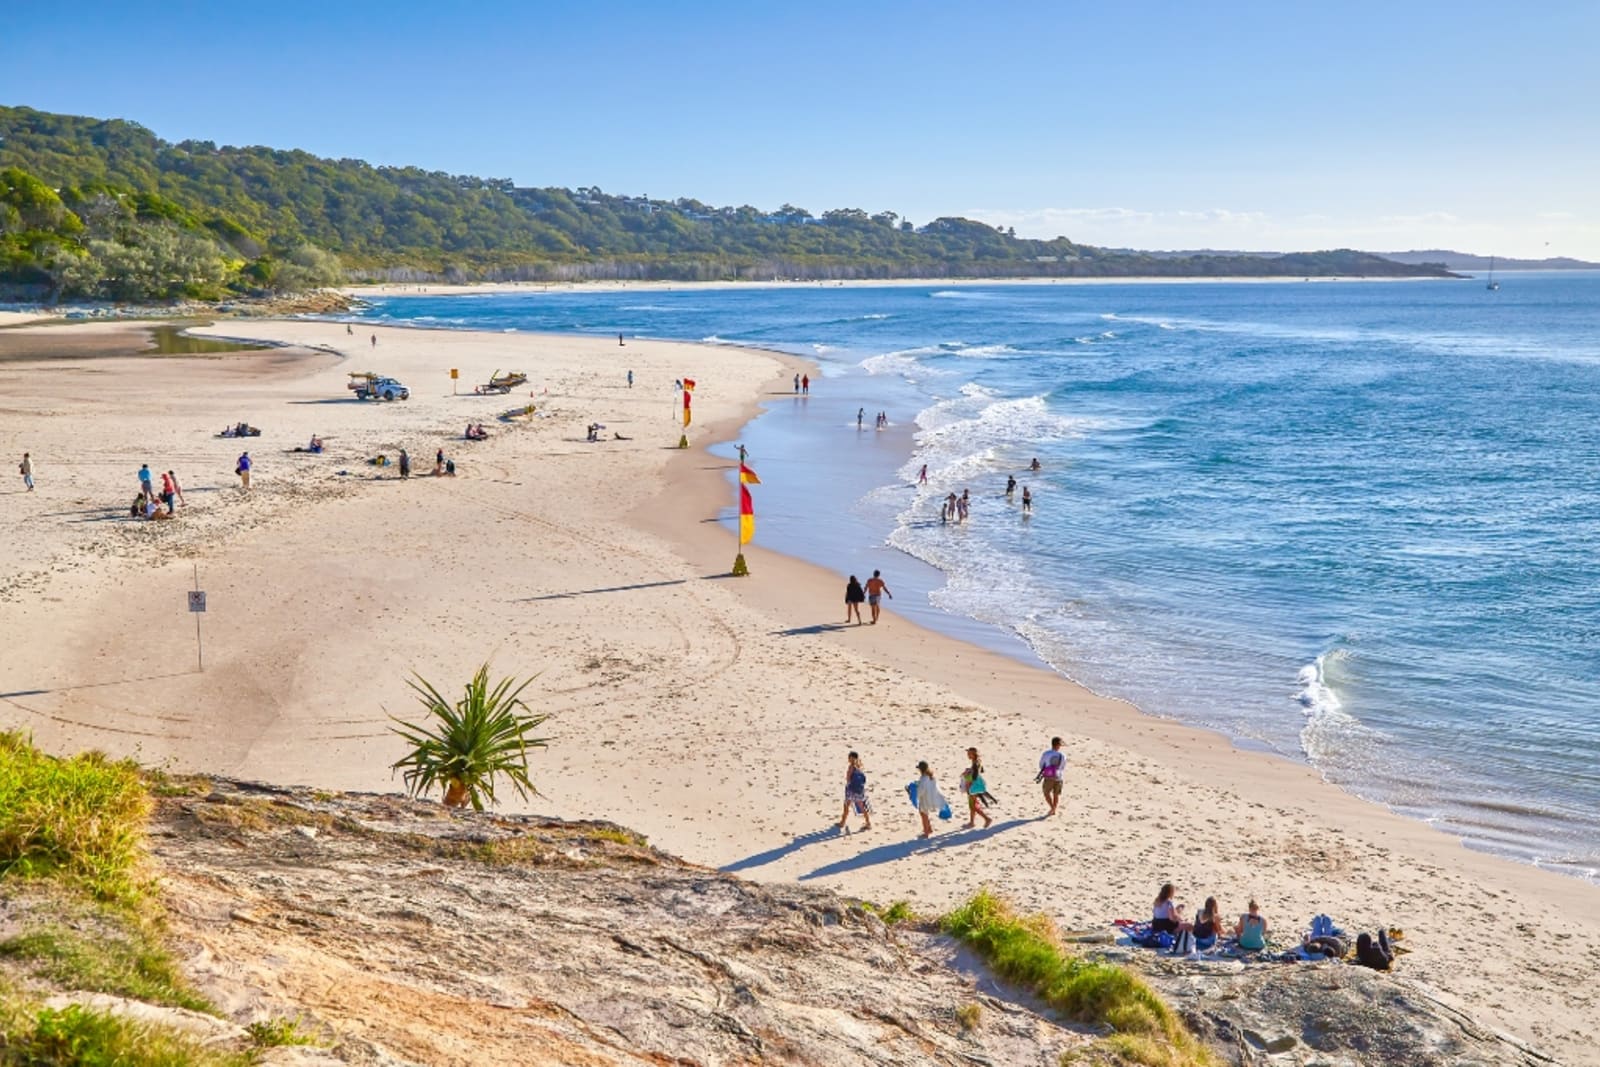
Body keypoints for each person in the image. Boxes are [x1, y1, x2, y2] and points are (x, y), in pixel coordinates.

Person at [837, 751, 872, 831]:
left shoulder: (851, 767)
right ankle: (868, 823)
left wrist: (848, 785)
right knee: (862, 807)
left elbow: (848, 779)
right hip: (859, 790)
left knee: (846, 805)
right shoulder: (859, 766)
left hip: (851, 790)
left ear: (850, 758)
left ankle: (842, 822)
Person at [961, 747, 993, 829]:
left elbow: (973, 777)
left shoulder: (975, 763)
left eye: (969, 753)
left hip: (973, 787)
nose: (967, 755)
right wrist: (969, 770)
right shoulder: (977, 762)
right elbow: (980, 771)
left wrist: (967, 777)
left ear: (973, 754)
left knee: (973, 806)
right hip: (978, 785)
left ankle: (987, 819)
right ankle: (972, 822)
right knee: (973, 804)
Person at [914, 760, 945, 838]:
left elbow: (921, 790)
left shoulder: (923, 778)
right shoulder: (931, 776)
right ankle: (929, 828)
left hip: (925, 799)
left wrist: (915, 794)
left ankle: (926, 832)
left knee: (923, 814)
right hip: (932, 797)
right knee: (925, 814)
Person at [1037, 736, 1065, 816]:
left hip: (1049, 775)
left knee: (1046, 793)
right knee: (1056, 794)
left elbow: (1041, 764)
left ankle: (1052, 808)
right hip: (1059, 776)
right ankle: (1054, 809)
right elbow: (1062, 766)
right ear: (1058, 745)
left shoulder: (1046, 754)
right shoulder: (1062, 755)